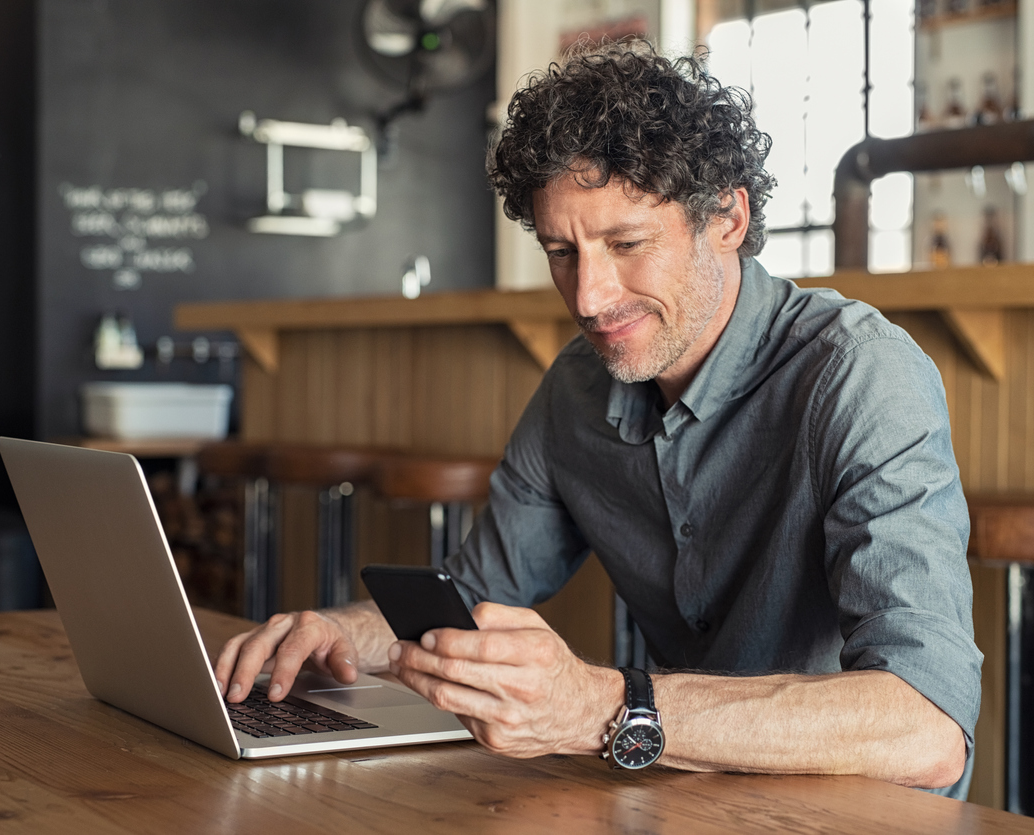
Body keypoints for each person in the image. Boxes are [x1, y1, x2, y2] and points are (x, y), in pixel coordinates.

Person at [216, 40, 981, 798]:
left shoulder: (861, 374)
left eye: (625, 243)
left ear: (727, 218)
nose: (586, 296)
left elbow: (927, 728)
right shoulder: (578, 386)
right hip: (681, 797)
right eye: (561, 251)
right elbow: (477, 593)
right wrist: (340, 634)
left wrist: (604, 707)